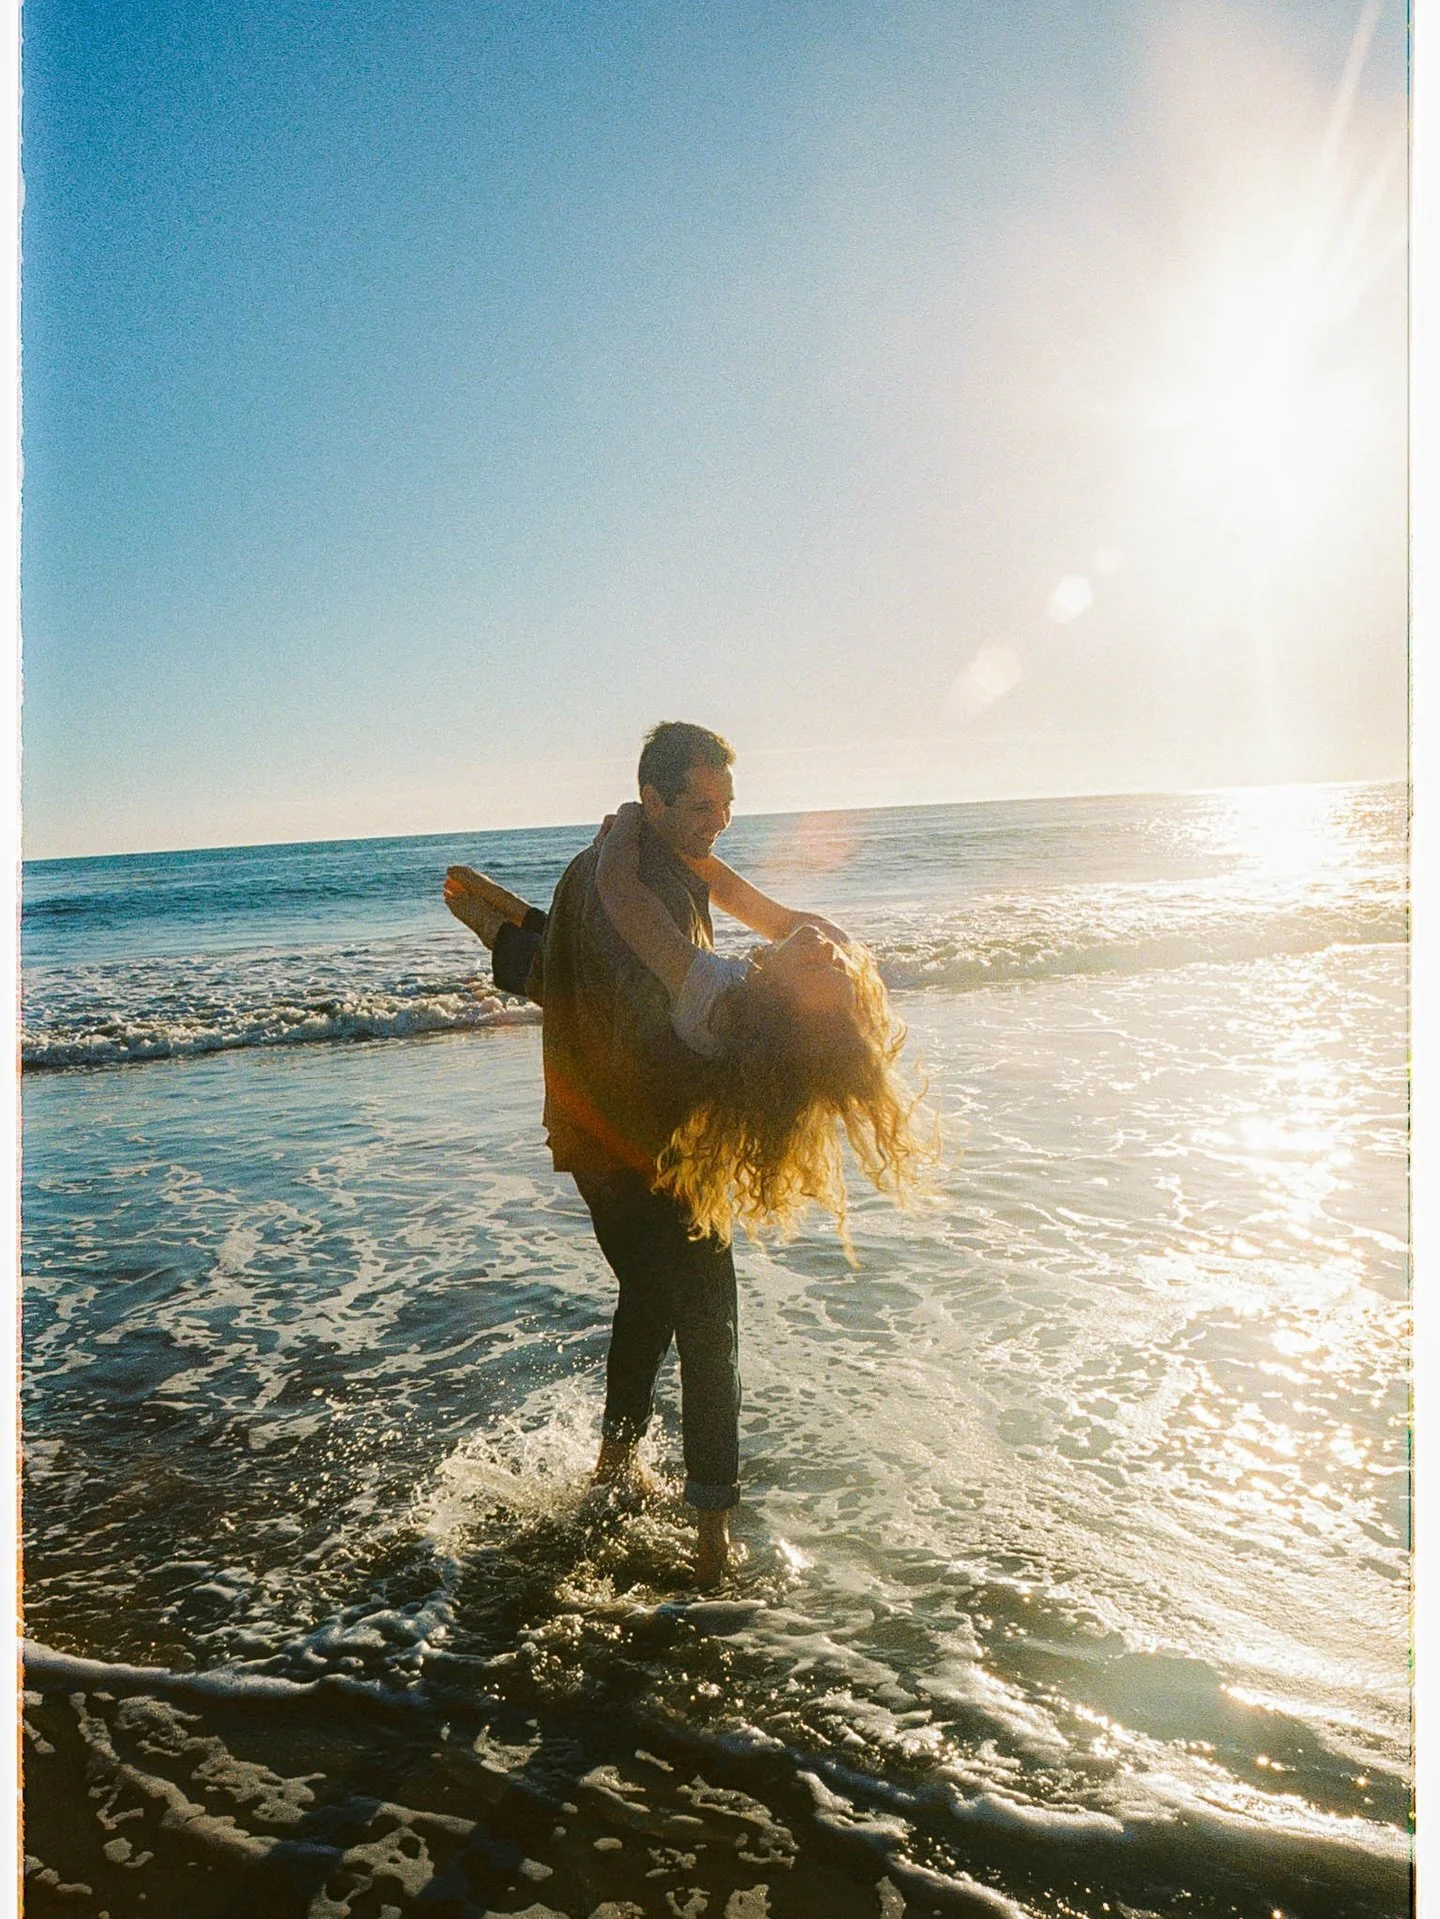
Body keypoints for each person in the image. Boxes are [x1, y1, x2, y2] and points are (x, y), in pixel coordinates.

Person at [444, 723, 930, 1583]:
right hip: (624, 1141)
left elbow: (627, 943)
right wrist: (838, 952)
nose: (720, 822)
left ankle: (618, 1468)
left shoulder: (713, 973)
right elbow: (778, 923)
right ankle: (705, 1529)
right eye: (705, 806)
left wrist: (611, 846)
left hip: (649, 1138)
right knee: (700, 1316)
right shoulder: (745, 979)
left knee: (664, 1301)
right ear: (661, 796)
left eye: (725, 807)